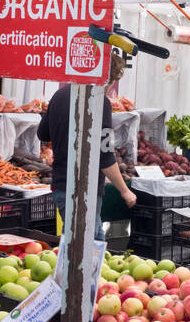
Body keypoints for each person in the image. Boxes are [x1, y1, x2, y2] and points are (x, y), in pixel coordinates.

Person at [38, 52, 138, 238]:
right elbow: (105, 154)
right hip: (85, 190)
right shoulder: (100, 102)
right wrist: (125, 191)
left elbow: (42, 134)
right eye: (113, 80)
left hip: (60, 185)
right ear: (107, 78)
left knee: (79, 244)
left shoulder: (60, 95)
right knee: (89, 248)